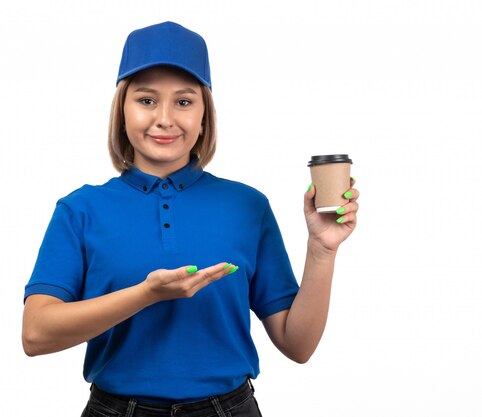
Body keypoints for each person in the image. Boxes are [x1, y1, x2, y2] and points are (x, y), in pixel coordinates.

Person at [22, 21, 359, 417]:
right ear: (122, 110)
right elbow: (35, 333)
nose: (165, 118)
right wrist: (146, 294)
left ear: (203, 115)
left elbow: (297, 345)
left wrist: (322, 250)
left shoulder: (247, 205)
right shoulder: (80, 209)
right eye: (146, 100)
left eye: (184, 102)